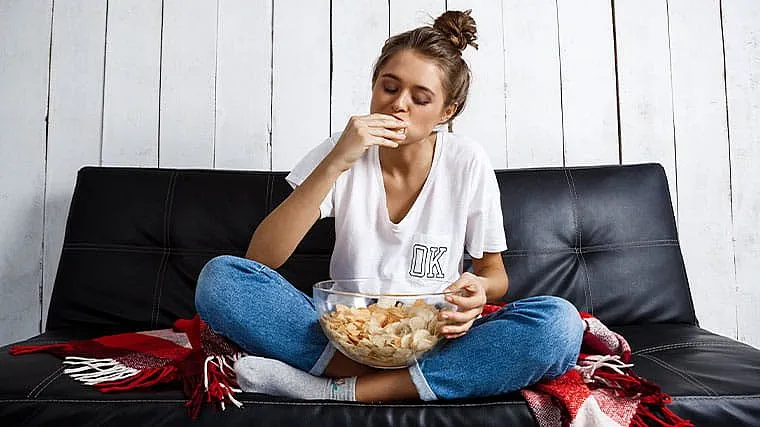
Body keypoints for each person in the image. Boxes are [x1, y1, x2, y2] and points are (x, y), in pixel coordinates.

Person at [194, 10, 583, 403]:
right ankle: (414, 382)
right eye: (389, 88)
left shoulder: (466, 161)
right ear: (374, 86)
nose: (399, 105)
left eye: (421, 98)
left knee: (559, 325)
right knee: (220, 280)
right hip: (345, 334)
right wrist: (336, 161)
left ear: (446, 112)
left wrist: (479, 289)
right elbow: (261, 259)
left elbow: (493, 273)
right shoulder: (341, 149)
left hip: (435, 337)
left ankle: (336, 390)